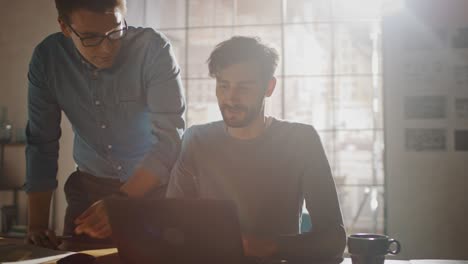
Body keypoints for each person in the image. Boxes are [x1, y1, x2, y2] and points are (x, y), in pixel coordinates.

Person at [166, 36, 345, 262]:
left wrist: (266, 247)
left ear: (269, 87)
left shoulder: (301, 140)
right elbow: (171, 226)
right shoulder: (197, 140)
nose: (231, 98)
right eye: (223, 86)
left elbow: (334, 239)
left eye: (244, 87)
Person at [25, 0, 185, 249]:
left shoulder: (153, 49)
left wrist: (120, 201)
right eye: (90, 37)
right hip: (88, 191)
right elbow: (41, 143)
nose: (106, 48)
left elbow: (170, 139)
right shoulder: (47, 59)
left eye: (115, 32)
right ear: (65, 27)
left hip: (152, 188)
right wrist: (37, 226)